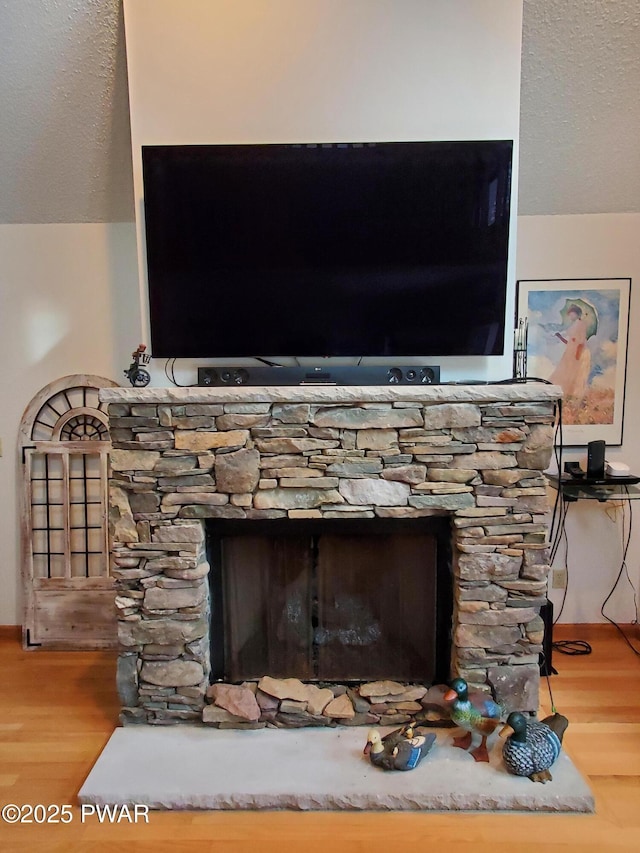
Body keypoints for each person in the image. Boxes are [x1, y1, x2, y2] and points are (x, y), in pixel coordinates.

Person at [549, 305, 590, 399]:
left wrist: (578, 353)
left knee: (574, 373)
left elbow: (581, 341)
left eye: (572, 314)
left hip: (576, 352)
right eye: (570, 315)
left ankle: (573, 395)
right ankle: (563, 393)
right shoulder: (573, 325)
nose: (570, 316)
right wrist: (560, 337)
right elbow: (570, 342)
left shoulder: (581, 324)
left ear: (576, 314)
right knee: (565, 371)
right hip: (570, 351)